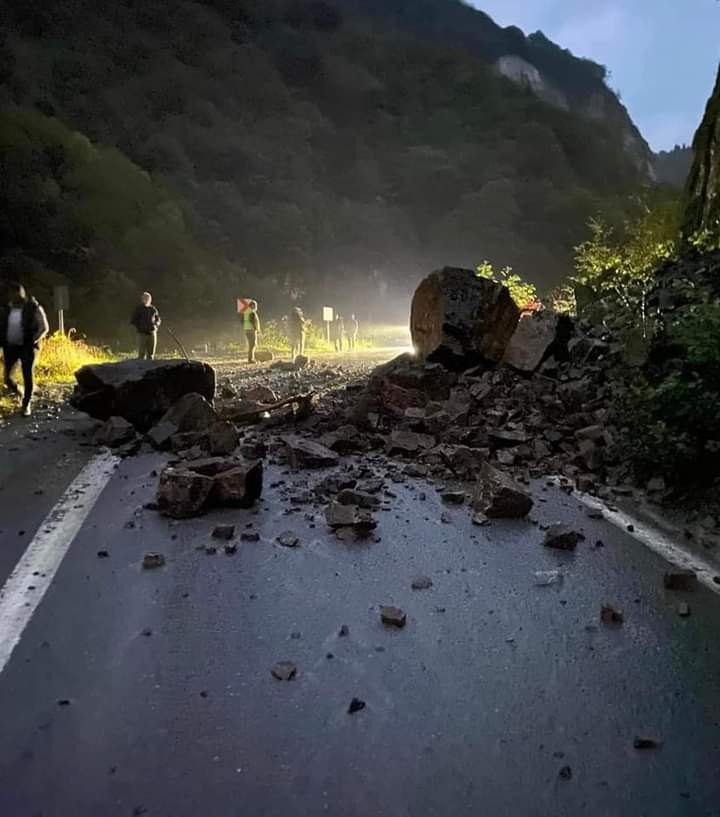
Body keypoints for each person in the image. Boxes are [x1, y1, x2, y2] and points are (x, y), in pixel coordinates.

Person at [0, 282, 49, 417]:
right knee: (8, 378)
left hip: (28, 347)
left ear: (21, 293)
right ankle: (19, 392)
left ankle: (26, 404)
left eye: (15, 293)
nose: (13, 296)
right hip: (11, 347)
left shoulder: (33, 307)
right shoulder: (7, 309)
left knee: (27, 375)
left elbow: (44, 327)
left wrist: (33, 340)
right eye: (11, 293)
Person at [130, 292, 161, 360]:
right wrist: (140, 327)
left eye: (148, 298)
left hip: (152, 333)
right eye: (145, 298)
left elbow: (158, 319)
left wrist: (156, 325)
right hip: (142, 334)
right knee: (141, 354)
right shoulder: (138, 309)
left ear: (150, 300)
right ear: (142, 299)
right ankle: (140, 368)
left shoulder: (153, 309)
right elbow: (133, 320)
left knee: (151, 354)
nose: (146, 299)